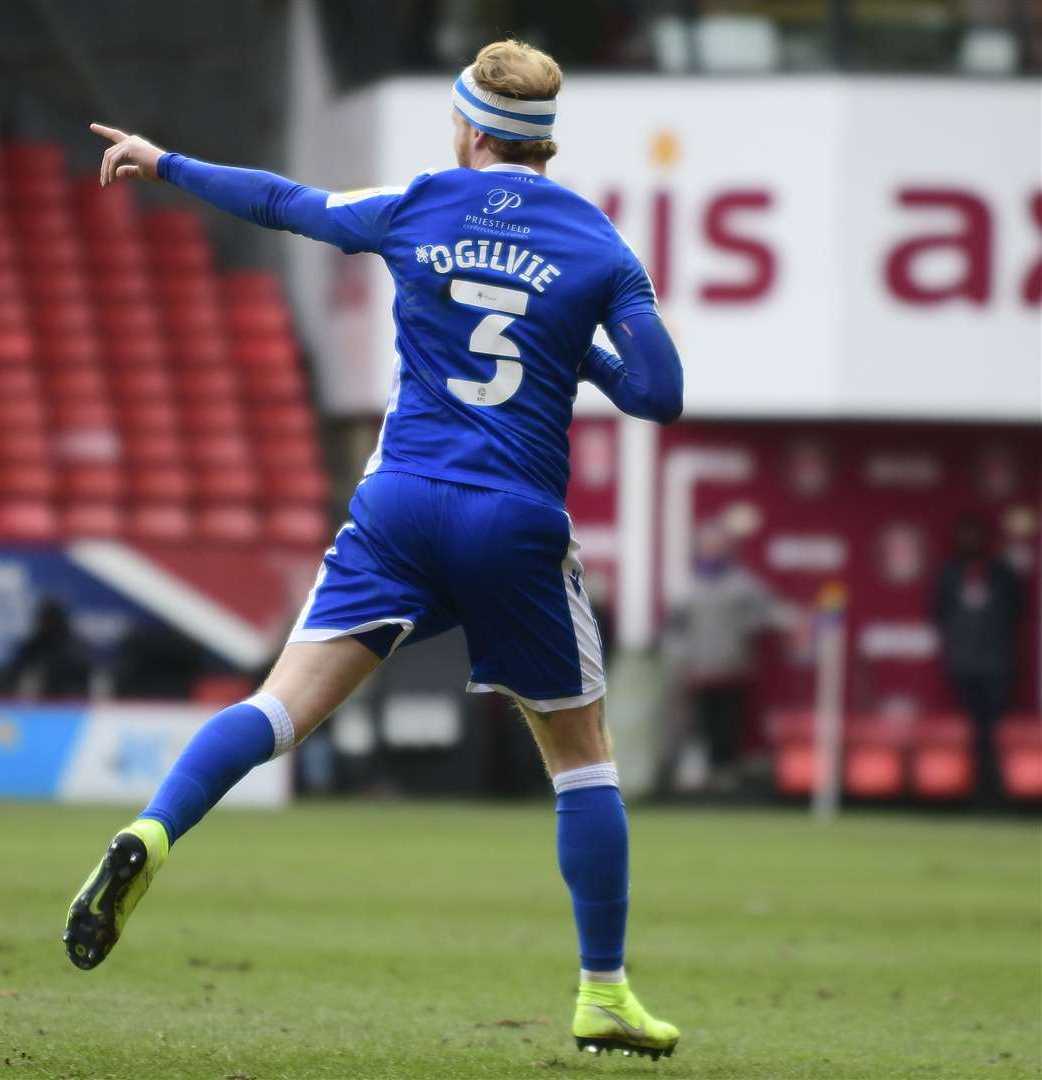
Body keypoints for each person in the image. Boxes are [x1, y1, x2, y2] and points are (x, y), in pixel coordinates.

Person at [66, 40, 685, 1059]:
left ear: (469, 130)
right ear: (543, 142)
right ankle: (602, 990)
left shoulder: (421, 204)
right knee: (582, 766)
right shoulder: (599, 246)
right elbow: (658, 394)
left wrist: (163, 160)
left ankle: (153, 829)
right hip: (509, 516)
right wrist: (581, 347)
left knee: (277, 706)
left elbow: (284, 203)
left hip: (397, 501)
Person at [659, 520, 789, 792]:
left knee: (727, 725)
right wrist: (681, 659)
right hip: (696, 671)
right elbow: (676, 627)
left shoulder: (743, 585)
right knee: (696, 724)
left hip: (731, 670)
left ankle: (725, 775)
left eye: (717, 545)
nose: (711, 550)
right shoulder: (689, 586)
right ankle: (694, 774)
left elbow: (766, 614)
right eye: (706, 545)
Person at [932, 513, 1023, 802]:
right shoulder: (950, 572)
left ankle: (998, 791)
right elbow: (939, 611)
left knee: (996, 733)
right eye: (965, 534)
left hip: (997, 664)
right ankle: (969, 790)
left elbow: (1017, 611)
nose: (970, 541)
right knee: (969, 732)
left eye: (975, 534)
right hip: (964, 664)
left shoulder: (1001, 573)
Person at [8, 597, 92, 699]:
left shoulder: (75, 646)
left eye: (52, 620)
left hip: (71, 701)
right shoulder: (35, 644)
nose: (48, 625)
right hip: (41, 702)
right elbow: (17, 671)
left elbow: (84, 678)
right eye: (46, 620)